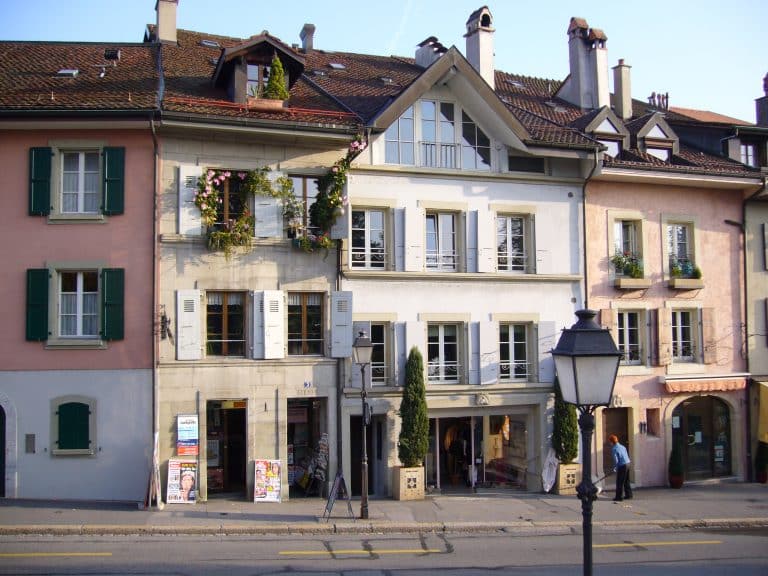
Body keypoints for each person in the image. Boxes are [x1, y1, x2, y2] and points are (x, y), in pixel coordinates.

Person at [608, 434, 632, 502]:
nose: (610, 443)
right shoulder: (622, 446)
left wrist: (615, 468)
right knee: (626, 480)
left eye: (610, 442)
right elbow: (626, 455)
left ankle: (619, 497)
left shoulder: (614, 449)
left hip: (622, 465)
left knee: (619, 481)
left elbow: (616, 460)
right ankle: (629, 494)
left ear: (611, 442)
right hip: (628, 463)